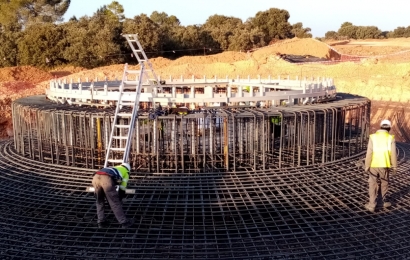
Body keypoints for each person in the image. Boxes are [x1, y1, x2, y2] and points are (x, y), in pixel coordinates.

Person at [364, 119, 397, 213]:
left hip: (373, 164)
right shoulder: (391, 138)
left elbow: (369, 153)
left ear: (380, 127)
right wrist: (394, 167)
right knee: (384, 183)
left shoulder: (373, 137)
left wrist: (367, 165)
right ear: (389, 128)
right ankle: (381, 202)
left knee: (372, 184)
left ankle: (371, 205)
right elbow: (393, 154)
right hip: (384, 165)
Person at [92, 162, 134, 228]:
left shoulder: (114, 168)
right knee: (115, 202)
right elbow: (122, 187)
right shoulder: (126, 172)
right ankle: (124, 222)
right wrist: (120, 196)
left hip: (95, 177)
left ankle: (101, 222)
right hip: (106, 179)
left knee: (99, 201)